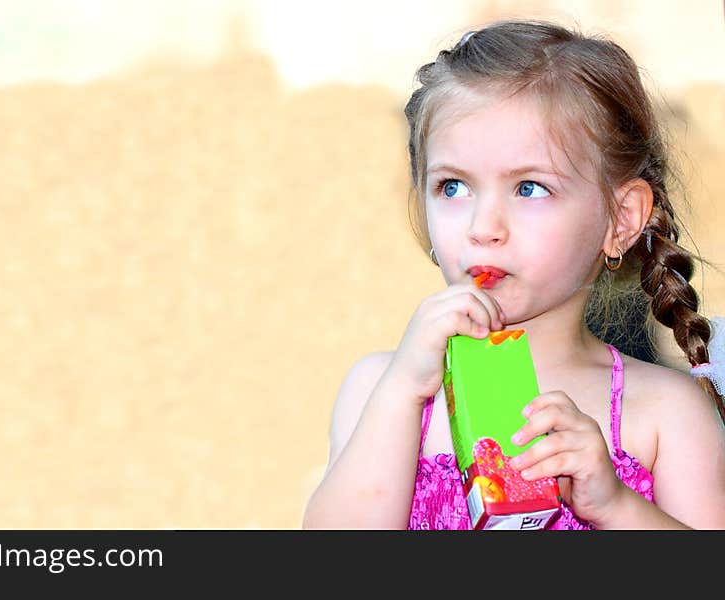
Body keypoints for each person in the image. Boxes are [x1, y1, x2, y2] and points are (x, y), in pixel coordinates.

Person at [302, 19, 725, 530]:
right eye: (453, 187)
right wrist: (403, 392)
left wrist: (615, 505)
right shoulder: (379, 389)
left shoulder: (665, 414)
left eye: (529, 188)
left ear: (620, 219)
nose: (483, 227)